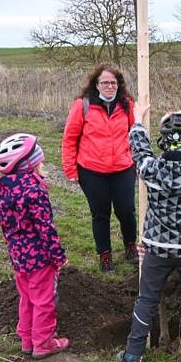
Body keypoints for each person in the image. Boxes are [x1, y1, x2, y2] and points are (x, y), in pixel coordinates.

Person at [116, 107, 181, 362]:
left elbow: (139, 150)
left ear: (163, 139)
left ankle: (133, 356)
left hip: (157, 248)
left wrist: (138, 122)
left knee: (147, 299)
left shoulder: (151, 169)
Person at [0, 133, 69, 359]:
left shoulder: (1, 189)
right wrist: (58, 257)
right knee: (44, 301)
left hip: (17, 256)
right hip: (39, 258)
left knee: (26, 298)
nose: (43, 165)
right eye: (40, 162)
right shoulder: (35, 192)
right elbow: (46, 228)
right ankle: (43, 343)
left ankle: (27, 340)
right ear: (30, 165)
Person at [61, 64, 138, 272]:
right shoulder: (82, 105)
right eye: (105, 82)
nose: (109, 86)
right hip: (92, 171)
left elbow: (136, 134)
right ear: (96, 84)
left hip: (123, 168)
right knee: (100, 214)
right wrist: (70, 169)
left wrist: (139, 161)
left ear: (119, 84)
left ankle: (131, 246)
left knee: (126, 211)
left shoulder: (127, 105)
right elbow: (69, 138)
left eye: (113, 82)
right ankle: (105, 255)